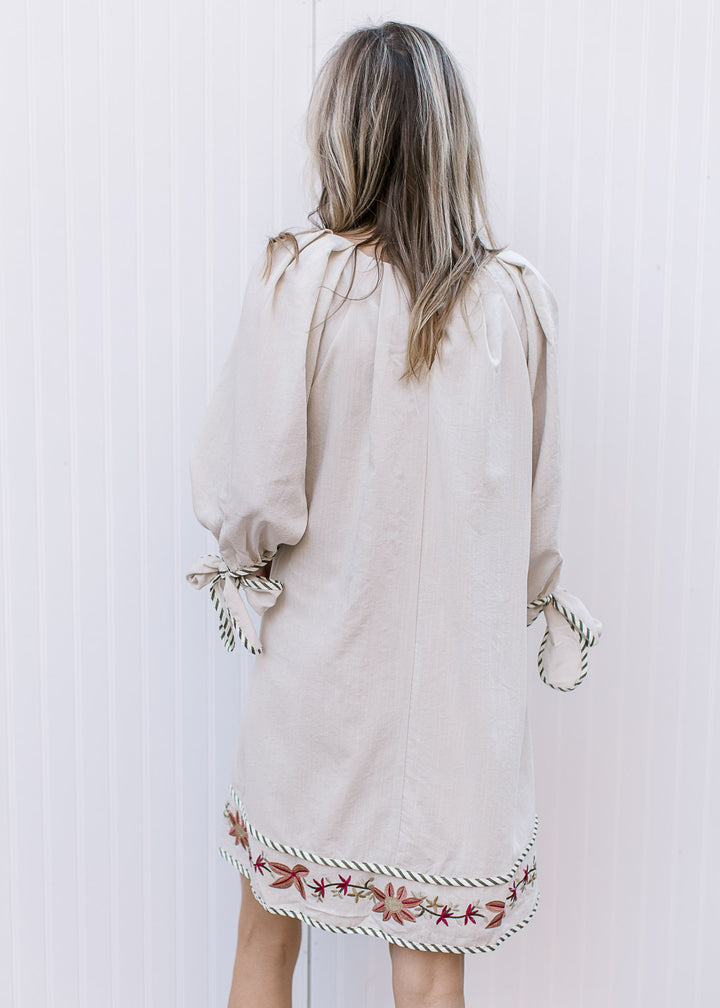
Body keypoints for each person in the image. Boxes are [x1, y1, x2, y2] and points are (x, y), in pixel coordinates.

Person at [186, 20, 602, 1008]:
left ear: (345, 134)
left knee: (264, 944)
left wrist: (244, 559)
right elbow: (539, 525)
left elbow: (252, 494)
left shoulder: (304, 281)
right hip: (459, 694)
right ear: (455, 140)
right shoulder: (514, 305)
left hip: (321, 675)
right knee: (428, 976)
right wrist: (533, 596)